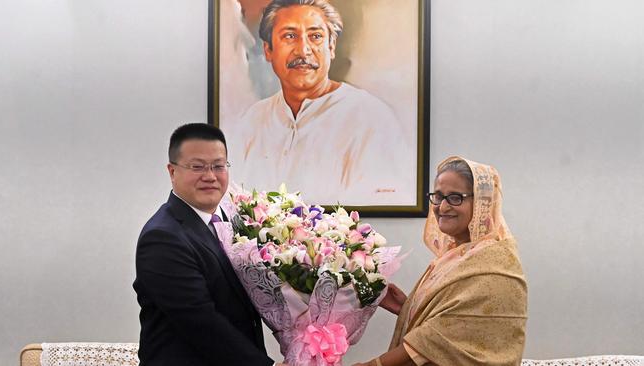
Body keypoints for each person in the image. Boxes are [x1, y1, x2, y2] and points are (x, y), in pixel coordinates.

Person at [225, 0, 413, 206]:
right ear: (268, 50)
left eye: (315, 36)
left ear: (331, 47)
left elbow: (380, 209)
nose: (303, 50)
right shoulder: (252, 121)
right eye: (289, 36)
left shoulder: (371, 118)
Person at [353, 156, 528, 366]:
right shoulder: (453, 255)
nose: (442, 207)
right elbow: (455, 322)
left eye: (455, 197)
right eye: (438, 196)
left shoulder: (497, 263)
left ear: (482, 202)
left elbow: (437, 338)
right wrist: (407, 308)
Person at [133, 123, 283, 365]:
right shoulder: (162, 237)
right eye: (197, 167)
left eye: (218, 166)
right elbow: (201, 323)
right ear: (172, 172)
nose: (210, 176)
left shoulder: (230, 222)